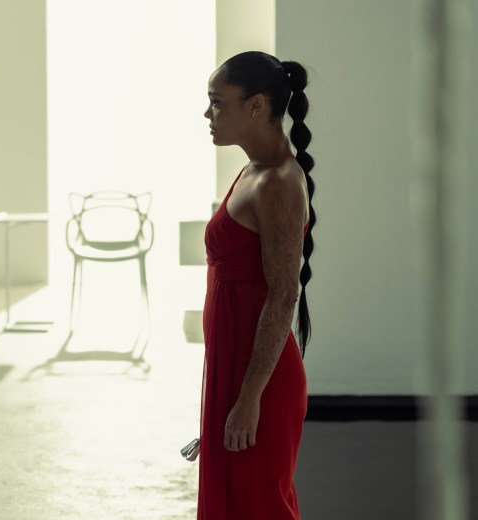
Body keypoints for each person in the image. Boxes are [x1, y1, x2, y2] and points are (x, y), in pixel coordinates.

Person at [198, 51, 316, 519]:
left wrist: (248, 400)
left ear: (255, 105)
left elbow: (284, 294)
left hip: (259, 382)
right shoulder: (253, 171)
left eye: (217, 102)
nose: (207, 114)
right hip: (235, 367)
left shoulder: (278, 182)